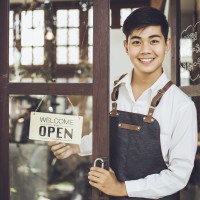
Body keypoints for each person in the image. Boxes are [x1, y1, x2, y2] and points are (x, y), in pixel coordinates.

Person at [48, 7, 197, 199]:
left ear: (167, 45)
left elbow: (178, 176)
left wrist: (122, 188)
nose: (145, 50)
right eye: (137, 42)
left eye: (154, 41)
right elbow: (107, 137)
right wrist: (75, 147)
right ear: (126, 46)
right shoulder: (111, 91)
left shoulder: (182, 106)